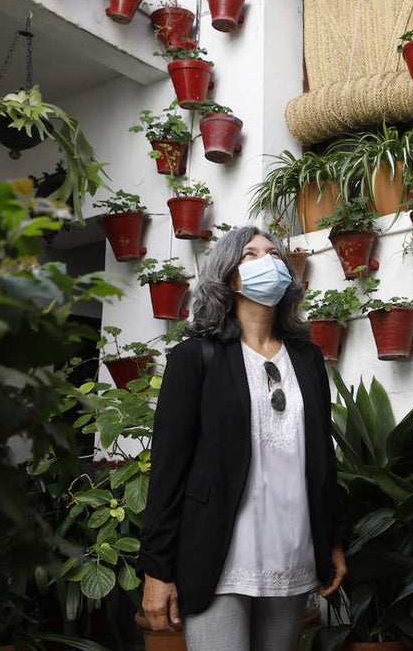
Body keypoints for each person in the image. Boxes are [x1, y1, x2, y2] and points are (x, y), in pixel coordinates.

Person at [137, 226, 346, 650]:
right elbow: (168, 469)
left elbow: (322, 457)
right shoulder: (195, 356)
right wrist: (157, 570)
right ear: (228, 275)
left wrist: (332, 541)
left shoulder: (306, 358)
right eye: (250, 254)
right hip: (218, 558)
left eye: (274, 254)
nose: (266, 261)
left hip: (291, 550)